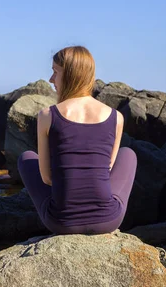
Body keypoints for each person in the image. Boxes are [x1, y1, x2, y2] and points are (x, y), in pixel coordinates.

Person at [17, 46, 137, 235]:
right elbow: (107, 170)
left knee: (26, 157)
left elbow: (47, 178)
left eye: (55, 72)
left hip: (62, 222)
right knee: (128, 154)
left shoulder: (48, 115)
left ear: (71, 75)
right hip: (108, 220)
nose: (50, 80)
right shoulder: (116, 118)